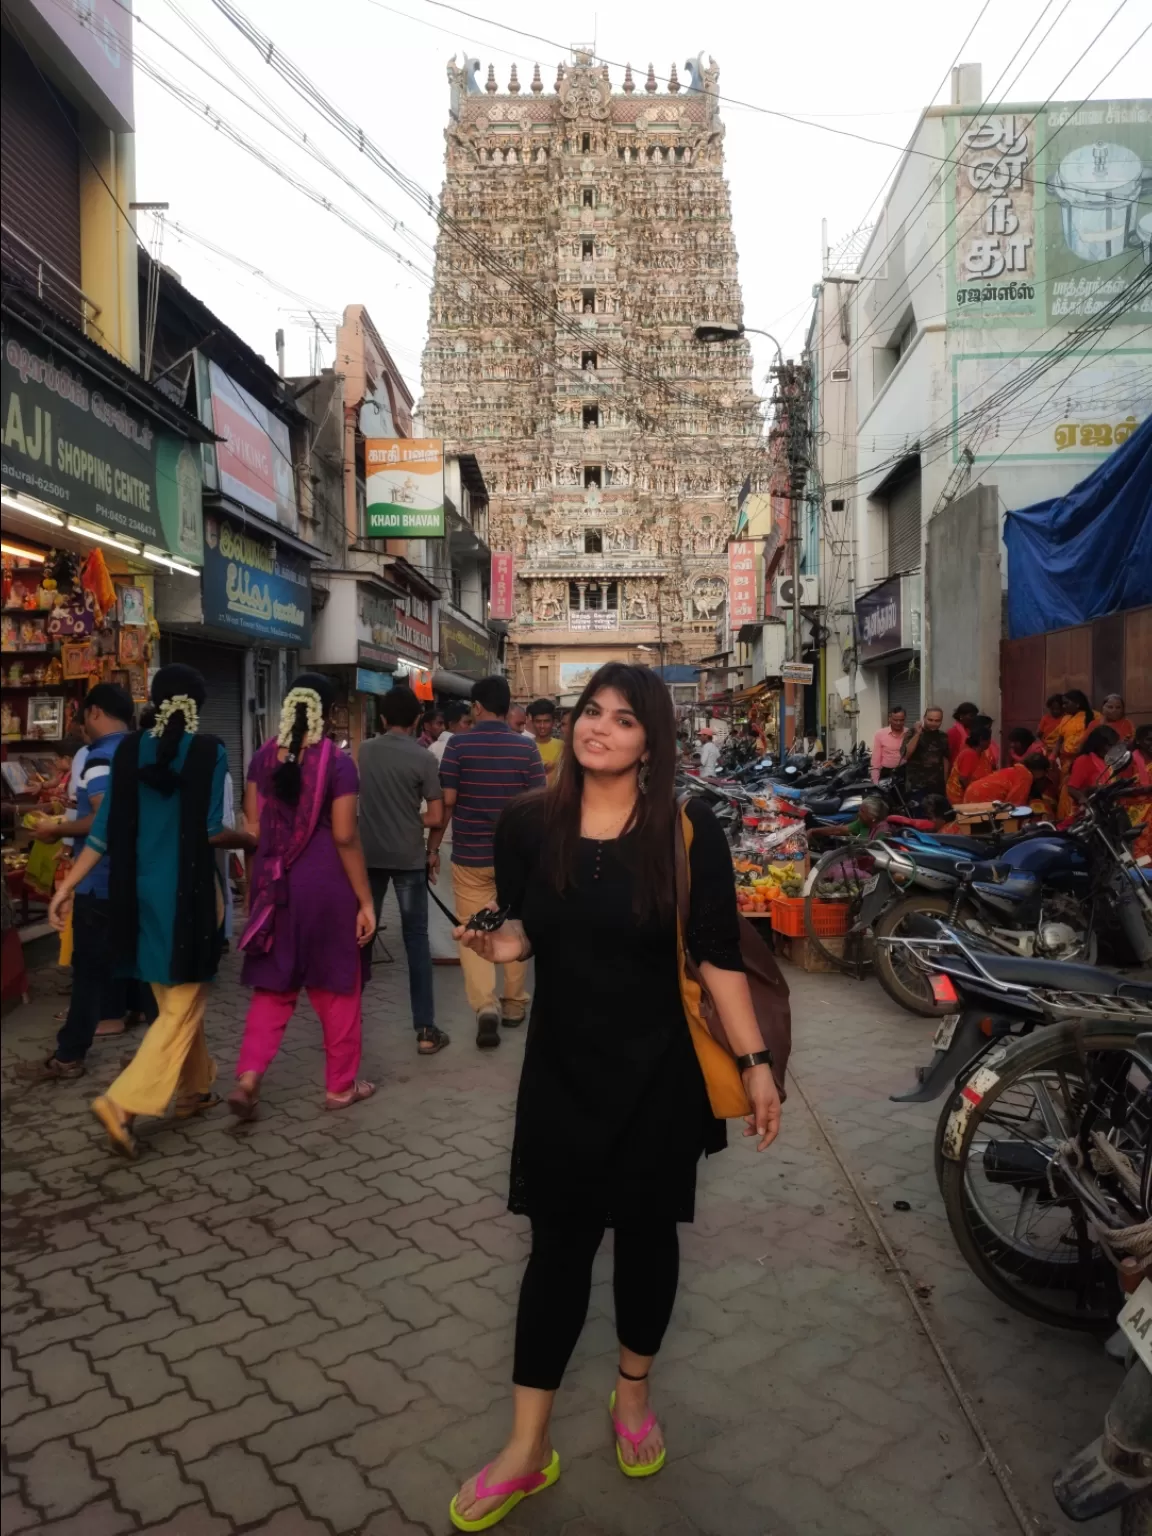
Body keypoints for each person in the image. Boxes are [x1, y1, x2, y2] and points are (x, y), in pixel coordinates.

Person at [447, 663, 781, 1530]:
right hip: (562, 1072)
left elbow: (713, 953)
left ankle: (632, 1398)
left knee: (644, 1242)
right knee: (555, 1254)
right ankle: (528, 1449)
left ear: (652, 740)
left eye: (623, 719)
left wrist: (755, 1063)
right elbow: (521, 926)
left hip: (659, 1077)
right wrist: (495, 942)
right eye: (590, 712)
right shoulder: (531, 824)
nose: (598, 728)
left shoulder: (687, 829)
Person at [46, 666, 254, 1157]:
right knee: (183, 1004)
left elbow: (102, 834)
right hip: (191, 898)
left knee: (175, 998)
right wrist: (252, 841)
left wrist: (67, 888)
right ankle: (124, 1102)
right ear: (196, 709)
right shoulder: (210, 752)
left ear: (153, 703)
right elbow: (211, 830)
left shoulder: (128, 751)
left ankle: (195, 1089)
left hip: (134, 895)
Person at [228, 674, 377, 1118]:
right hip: (328, 888)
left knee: (273, 989)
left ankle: (249, 1078)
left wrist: (254, 893)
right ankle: (340, 1088)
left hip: (275, 888)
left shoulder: (260, 758)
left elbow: (253, 829)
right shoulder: (338, 762)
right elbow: (346, 837)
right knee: (338, 989)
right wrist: (366, 901)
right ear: (330, 713)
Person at [20, 685, 135, 1082]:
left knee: (88, 971)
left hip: (100, 880)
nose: (83, 725)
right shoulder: (142, 751)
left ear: (96, 712)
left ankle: (70, 1055)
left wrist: (58, 829)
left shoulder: (101, 757)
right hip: (139, 879)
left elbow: (105, 820)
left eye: (84, 716)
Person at [430, 675, 546, 1047]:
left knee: (473, 927)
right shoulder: (526, 749)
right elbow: (539, 807)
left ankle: (485, 1007)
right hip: (517, 859)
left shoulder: (458, 747)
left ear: (477, 707)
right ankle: (514, 1004)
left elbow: (447, 803)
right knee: (513, 926)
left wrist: (432, 849)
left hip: (470, 856)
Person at [359, 685, 449, 1055]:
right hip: (410, 858)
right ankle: (426, 1030)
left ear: (381, 719)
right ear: (416, 721)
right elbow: (437, 815)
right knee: (416, 940)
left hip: (367, 857)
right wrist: (428, 847)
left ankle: (348, 1023)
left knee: (361, 937)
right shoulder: (423, 758)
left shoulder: (363, 752)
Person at [1060, 724, 1119, 819]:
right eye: (1109, 745)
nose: (1113, 749)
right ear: (1099, 744)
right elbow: (1072, 788)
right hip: (1087, 814)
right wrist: (1085, 800)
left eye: (1114, 745)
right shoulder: (1084, 760)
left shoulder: (1108, 760)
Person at [1056, 691, 1102, 810]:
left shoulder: (1095, 716)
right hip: (1066, 762)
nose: (1063, 706)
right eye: (1063, 704)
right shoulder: (1065, 719)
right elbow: (1059, 739)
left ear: (1077, 703)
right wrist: (1052, 756)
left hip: (1085, 759)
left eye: (1066, 703)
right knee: (1066, 789)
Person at [963, 751, 1051, 807]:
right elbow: (1014, 806)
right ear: (1039, 769)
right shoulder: (1025, 777)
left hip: (971, 792)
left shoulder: (1016, 770)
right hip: (983, 798)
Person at [946, 715, 997, 804]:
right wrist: (974, 793)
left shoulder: (981, 754)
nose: (990, 743)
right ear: (981, 740)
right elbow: (963, 779)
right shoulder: (969, 754)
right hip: (962, 798)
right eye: (988, 740)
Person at [901, 706, 950, 799]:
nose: (933, 723)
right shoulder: (912, 732)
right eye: (930, 720)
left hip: (937, 785)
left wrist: (946, 781)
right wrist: (918, 733)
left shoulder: (943, 737)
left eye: (937, 720)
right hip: (916, 785)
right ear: (924, 718)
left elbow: (945, 759)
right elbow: (906, 755)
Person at [1127, 725, 1152, 862]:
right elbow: (1117, 787)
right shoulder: (1128, 761)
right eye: (1149, 740)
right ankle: (1141, 876)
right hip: (1135, 813)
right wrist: (1144, 790)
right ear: (1138, 741)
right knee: (1140, 856)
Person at [527, 698, 563, 783]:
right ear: (532, 722)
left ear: (553, 722)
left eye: (546, 721)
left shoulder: (563, 747)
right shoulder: (526, 747)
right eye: (538, 721)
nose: (542, 726)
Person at [870, 706, 908, 783]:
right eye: (895, 720)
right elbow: (876, 760)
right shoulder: (880, 734)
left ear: (905, 719)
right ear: (889, 719)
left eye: (901, 720)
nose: (898, 723)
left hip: (905, 773)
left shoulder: (909, 733)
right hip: (886, 773)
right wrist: (875, 781)